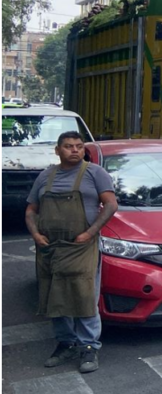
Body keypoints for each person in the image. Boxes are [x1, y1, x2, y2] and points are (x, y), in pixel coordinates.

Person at [25, 132, 118, 374]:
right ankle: (66, 343)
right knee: (54, 296)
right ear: (58, 150)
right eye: (68, 147)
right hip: (50, 247)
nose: (74, 150)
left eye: (78, 146)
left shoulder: (95, 173)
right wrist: (36, 235)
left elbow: (111, 204)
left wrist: (90, 233)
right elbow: (31, 210)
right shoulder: (45, 176)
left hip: (81, 246)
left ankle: (89, 347)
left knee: (84, 295)